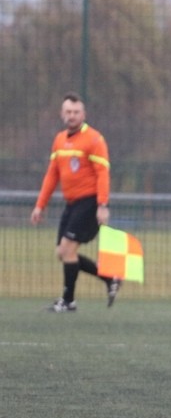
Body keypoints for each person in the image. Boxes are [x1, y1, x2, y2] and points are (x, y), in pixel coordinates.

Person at [30, 92, 121, 312]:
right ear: (62, 114)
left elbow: (102, 173)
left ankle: (68, 300)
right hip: (71, 204)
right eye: (68, 112)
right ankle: (110, 278)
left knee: (68, 251)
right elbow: (52, 175)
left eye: (76, 112)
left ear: (84, 114)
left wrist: (102, 204)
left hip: (89, 203)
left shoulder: (94, 139)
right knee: (62, 253)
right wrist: (40, 205)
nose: (72, 116)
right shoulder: (60, 140)